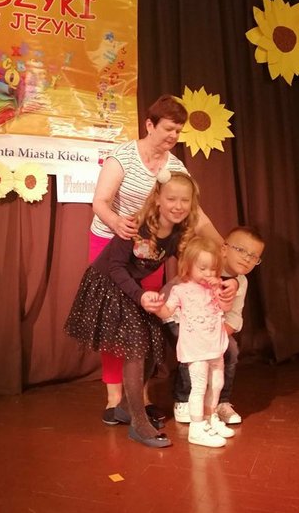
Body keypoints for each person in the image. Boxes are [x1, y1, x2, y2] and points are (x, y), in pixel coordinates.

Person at [89, 94, 227, 426]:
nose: (173, 136)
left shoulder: (175, 167)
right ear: (149, 125)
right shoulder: (123, 157)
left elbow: (195, 213)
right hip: (112, 244)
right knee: (116, 322)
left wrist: (221, 245)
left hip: (150, 251)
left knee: (146, 320)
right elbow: (100, 202)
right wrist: (117, 222)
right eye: (168, 129)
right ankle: (114, 398)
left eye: (178, 131)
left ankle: (141, 396)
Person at [65, 171, 200, 448]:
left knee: (150, 344)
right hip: (107, 284)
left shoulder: (177, 233)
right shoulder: (137, 226)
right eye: (171, 199)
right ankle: (138, 423)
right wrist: (140, 296)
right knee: (136, 348)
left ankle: (127, 407)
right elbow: (115, 267)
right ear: (158, 199)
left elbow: (191, 262)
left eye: (184, 200)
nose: (178, 206)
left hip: (131, 289)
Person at [169, 226, 265, 426]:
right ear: (224, 249)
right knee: (197, 352)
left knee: (230, 349)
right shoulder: (208, 266)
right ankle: (184, 399)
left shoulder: (242, 282)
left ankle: (220, 402)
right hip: (181, 318)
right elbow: (183, 297)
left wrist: (217, 339)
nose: (247, 258)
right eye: (241, 250)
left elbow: (234, 316)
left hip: (212, 326)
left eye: (254, 256)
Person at [156, 235, 235, 447]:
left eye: (213, 269)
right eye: (203, 268)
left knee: (217, 384)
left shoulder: (215, 288)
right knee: (199, 387)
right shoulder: (180, 290)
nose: (208, 273)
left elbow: (226, 308)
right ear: (188, 266)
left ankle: (210, 418)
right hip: (196, 348)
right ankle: (197, 427)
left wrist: (220, 290)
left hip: (215, 346)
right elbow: (166, 312)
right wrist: (156, 306)